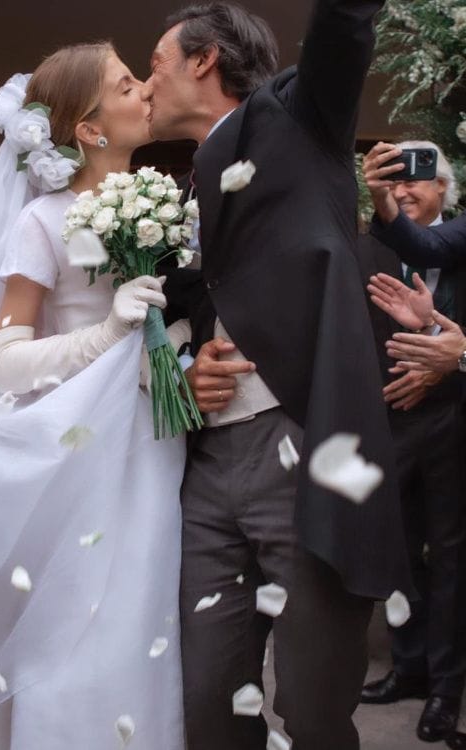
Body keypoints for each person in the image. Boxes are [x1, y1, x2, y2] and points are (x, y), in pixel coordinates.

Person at [142, 2, 412, 749]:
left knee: (313, 708)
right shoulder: (187, 186)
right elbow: (193, 308)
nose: (147, 80)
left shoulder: (298, 116)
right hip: (208, 469)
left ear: (204, 60)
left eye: (157, 62)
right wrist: (186, 373)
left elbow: (343, 26)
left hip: (303, 445)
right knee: (207, 704)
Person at [0, 44, 186, 749]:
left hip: (155, 438)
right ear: (89, 127)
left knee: (150, 610)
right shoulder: (41, 222)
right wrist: (110, 332)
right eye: (128, 84)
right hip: (80, 450)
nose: (146, 88)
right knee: (87, 620)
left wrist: (174, 338)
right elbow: (2, 362)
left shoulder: (163, 200)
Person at [357, 141, 466, 744]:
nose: (401, 191)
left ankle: (446, 687)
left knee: (450, 555)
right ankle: (409, 666)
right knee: (396, 549)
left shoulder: (461, 240)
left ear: (444, 186)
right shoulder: (370, 244)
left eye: (415, 179)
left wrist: (442, 359)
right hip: (387, 418)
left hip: (453, 420)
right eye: (390, 182)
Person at [364, 140, 466, 269]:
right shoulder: (360, 249)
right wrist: (380, 196)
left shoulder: (459, 239)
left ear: (440, 184)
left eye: (410, 183)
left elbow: (428, 246)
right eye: (392, 184)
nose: (398, 194)